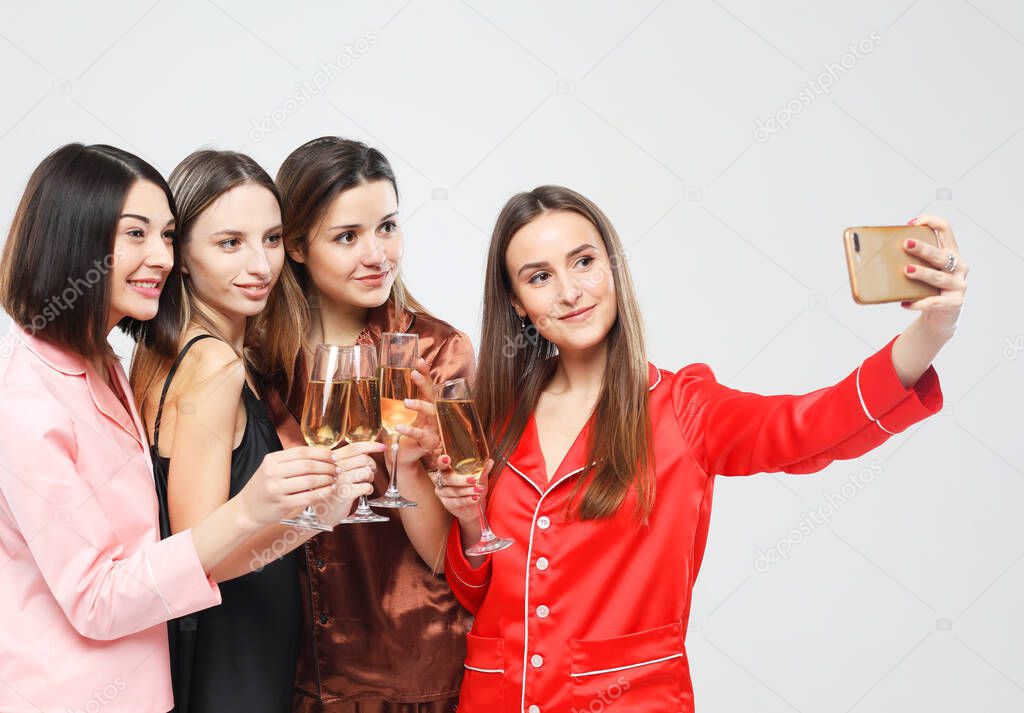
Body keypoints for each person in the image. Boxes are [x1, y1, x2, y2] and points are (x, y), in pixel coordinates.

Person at [435, 185, 963, 712]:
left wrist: (933, 330)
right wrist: (465, 519)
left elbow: (812, 424)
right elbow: (475, 595)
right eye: (540, 276)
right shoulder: (490, 421)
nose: (570, 291)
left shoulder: (683, 408)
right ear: (516, 302)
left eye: (584, 261)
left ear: (613, 267)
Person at [0, 143, 342, 713]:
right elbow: (97, 599)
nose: (159, 255)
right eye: (136, 234)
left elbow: (149, 543)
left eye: (165, 234)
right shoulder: (25, 398)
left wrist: (312, 512)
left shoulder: (106, 364)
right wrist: (250, 508)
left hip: (148, 685)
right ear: (70, 239)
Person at [129, 149, 381, 712]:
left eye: (270, 239)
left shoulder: (168, 350)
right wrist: (319, 516)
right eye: (229, 243)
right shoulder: (213, 366)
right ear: (182, 256)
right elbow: (199, 558)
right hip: (233, 656)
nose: (260, 265)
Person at [267, 137, 474, 713]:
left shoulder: (434, 352)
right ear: (298, 247)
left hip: (412, 671)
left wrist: (408, 466)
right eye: (347, 237)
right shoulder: (261, 363)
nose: (377, 254)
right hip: (295, 674)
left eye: (387, 226)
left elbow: (454, 550)